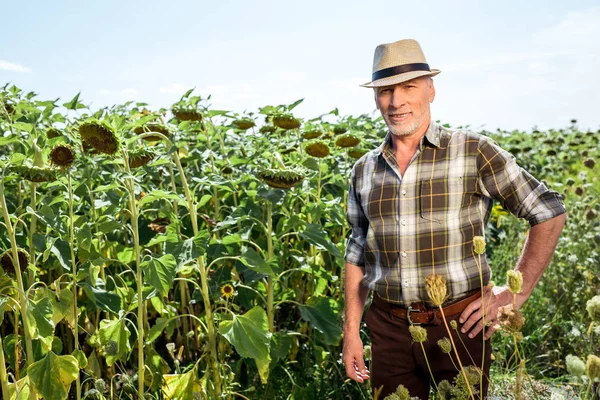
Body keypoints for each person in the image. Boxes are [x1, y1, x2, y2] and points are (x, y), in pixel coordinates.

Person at [342, 38, 567, 399]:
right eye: (385, 90)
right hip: (388, 330)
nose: (396, 101)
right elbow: (356, 253)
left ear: (430, 90)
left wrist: (511, 295)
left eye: (408, 87)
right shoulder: (364, 170)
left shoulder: (473, 151)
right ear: (375, 98)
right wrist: (351, 331)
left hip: (461, 327)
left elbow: (548, 211)